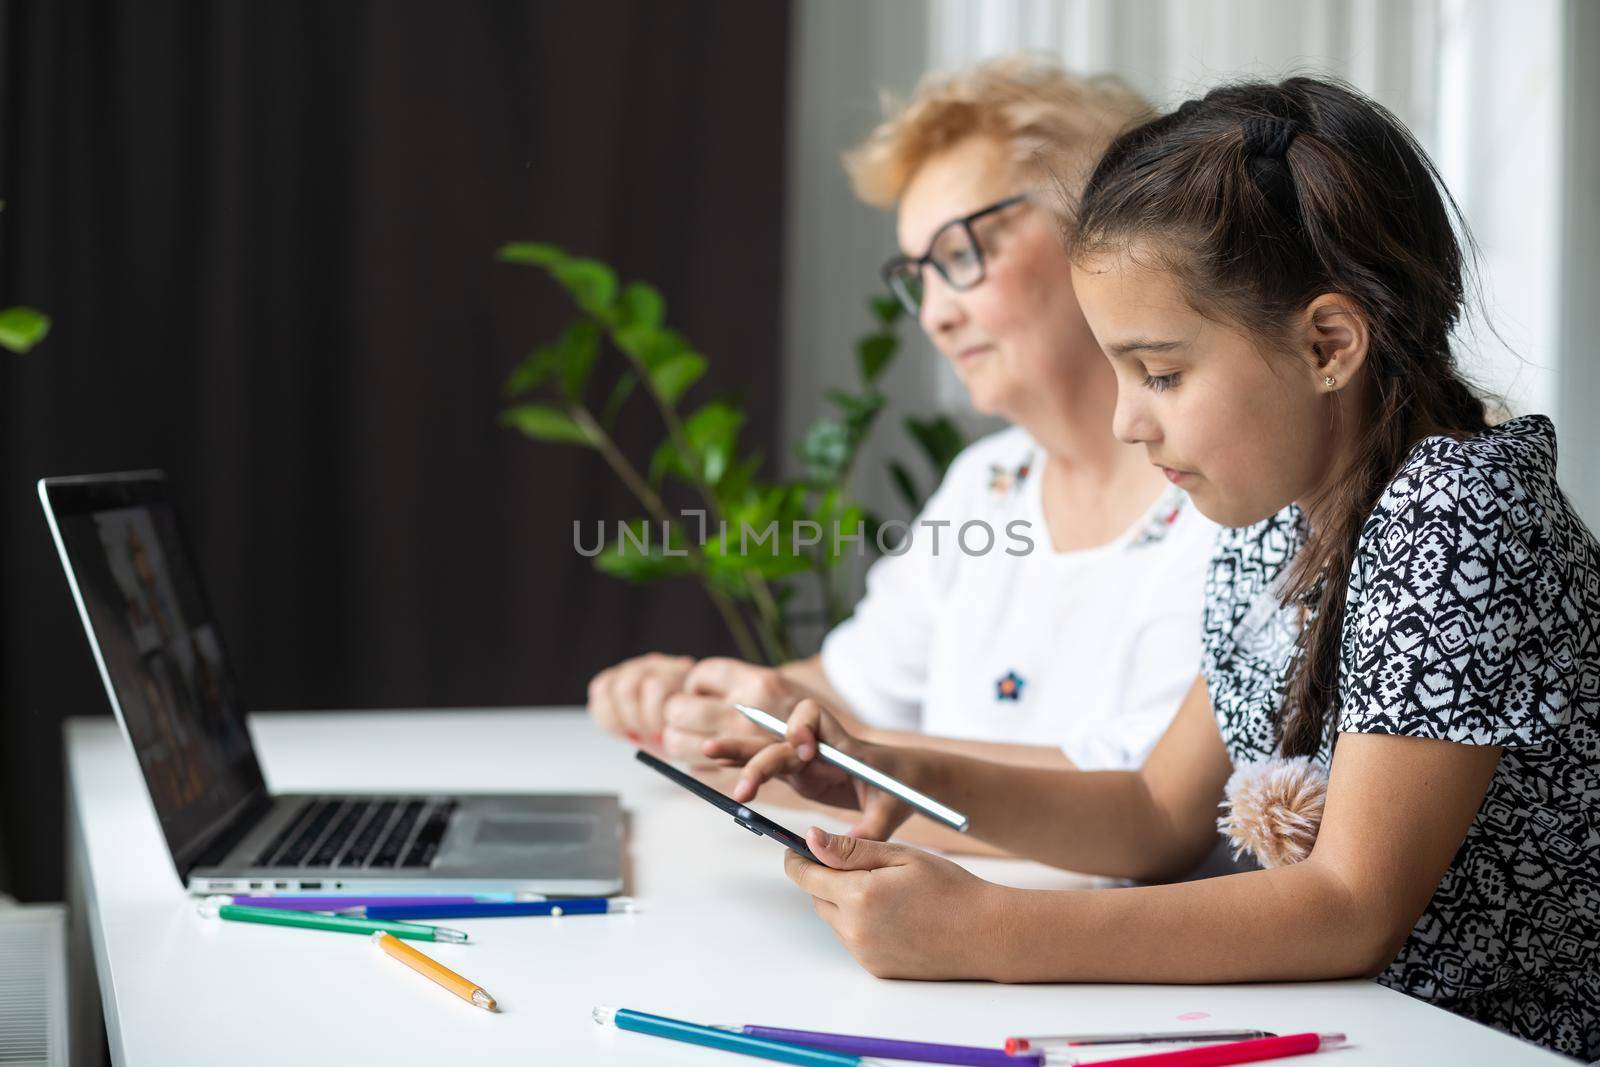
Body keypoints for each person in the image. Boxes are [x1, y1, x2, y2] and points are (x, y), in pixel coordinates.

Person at [711, 75, 1599, 1060]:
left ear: (1327, 344)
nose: (1128, 419)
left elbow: (1350, 905)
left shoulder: (1457, 520)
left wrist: (987, 930)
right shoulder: (1282, 521)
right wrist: (890, 768)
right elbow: (1155, 810)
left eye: (1161, 374)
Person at [588, 59, 1219, 848]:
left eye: (960, 254)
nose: (934, 317)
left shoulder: (1226, 493)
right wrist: (693, 694)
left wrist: (804, 734)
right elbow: (851, 690)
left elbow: (1149, 806)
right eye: (918, 276)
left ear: (1106, 228)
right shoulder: (986, 483)